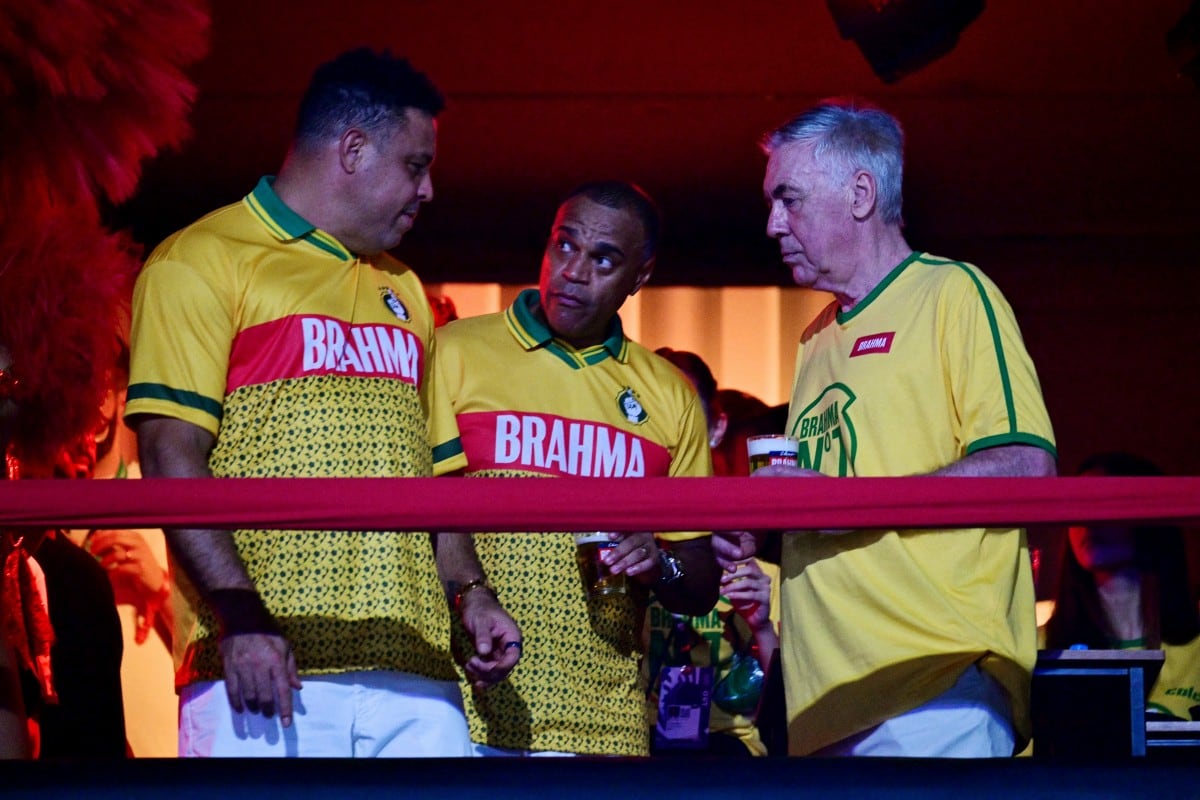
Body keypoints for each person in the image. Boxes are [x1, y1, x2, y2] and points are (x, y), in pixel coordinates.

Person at [124, 48, 520, 758]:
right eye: (416, 164)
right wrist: (241, 619)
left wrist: (472, 595)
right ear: (354, 148)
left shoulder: (408, 290)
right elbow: (167, 451)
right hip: (263, 661)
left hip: (417, 670)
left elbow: (439, 476)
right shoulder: (198, 261)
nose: (428, 190)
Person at [715, 98, 1057, 758]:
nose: (771, 224)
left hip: (929, 690)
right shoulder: (814, 340)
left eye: (788, 199)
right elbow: (830, 504)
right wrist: (760, 529)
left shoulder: (955, 293)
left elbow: (1024, 464)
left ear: (861, 193)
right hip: (824, 709)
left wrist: (841, 505)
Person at [434, 181, 720, 756]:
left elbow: (698, 583)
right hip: (465, 711)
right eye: (564, 246)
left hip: (606, 724)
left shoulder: (668, 396)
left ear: (640, 277)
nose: (574, 271)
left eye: (604, 259)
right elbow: (425, 512)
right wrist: (470, 596)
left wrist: (655, 563)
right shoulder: (453, 351)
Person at [648, 348, 781, 756]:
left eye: (685, 410)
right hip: (634, 748)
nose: (671, 430)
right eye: (652, 412)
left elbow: (793, 703)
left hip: (733, 753)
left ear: (717, 426)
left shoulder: (757, 566)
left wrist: (761, 628)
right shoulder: (617, 549)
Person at [1045, 452, 1200, 721]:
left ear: (1150, 515)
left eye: (1104, 502)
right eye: (1077, 505)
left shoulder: (1196, 652)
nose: (1087, 521)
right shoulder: (1042, 648)